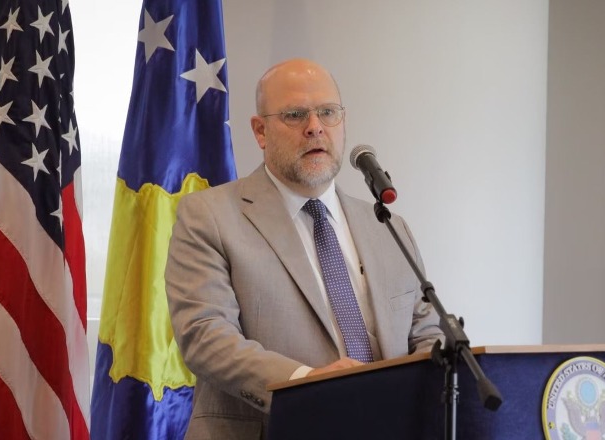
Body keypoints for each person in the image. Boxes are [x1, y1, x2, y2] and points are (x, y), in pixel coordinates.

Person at [165, 58, 443, 439]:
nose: (315, 127)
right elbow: (206, 337)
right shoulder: (209, 216)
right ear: (260, 132)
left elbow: (426, 332)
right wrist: (309, 387)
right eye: (295, 115)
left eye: (327, 113)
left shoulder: (388, 227)